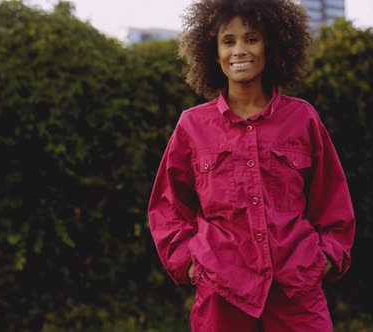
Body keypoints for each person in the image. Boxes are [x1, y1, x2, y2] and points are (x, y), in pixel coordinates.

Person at [147, 0, 356, 330]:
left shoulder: (302, 119)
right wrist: (190, 264)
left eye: (252, 38)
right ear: (214, 54)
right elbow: (168, 206)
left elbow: (332, 200)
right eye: (228, 41)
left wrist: (325, 259)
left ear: (270, 46)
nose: (239, 50)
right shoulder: (192, 126)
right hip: (221, 290)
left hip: (296, 289)